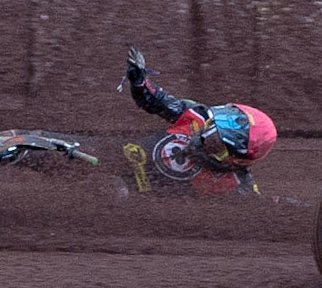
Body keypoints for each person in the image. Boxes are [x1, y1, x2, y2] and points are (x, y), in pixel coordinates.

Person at [119, 46, 277, 196]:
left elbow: (262, 208)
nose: (205, 141)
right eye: (211, 131)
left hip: (133, 199)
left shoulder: (237, 183)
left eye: (217, 146)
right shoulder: (199, 115)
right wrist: (139, 81)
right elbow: (158, 102)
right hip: (120, 157)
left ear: (238, 161)